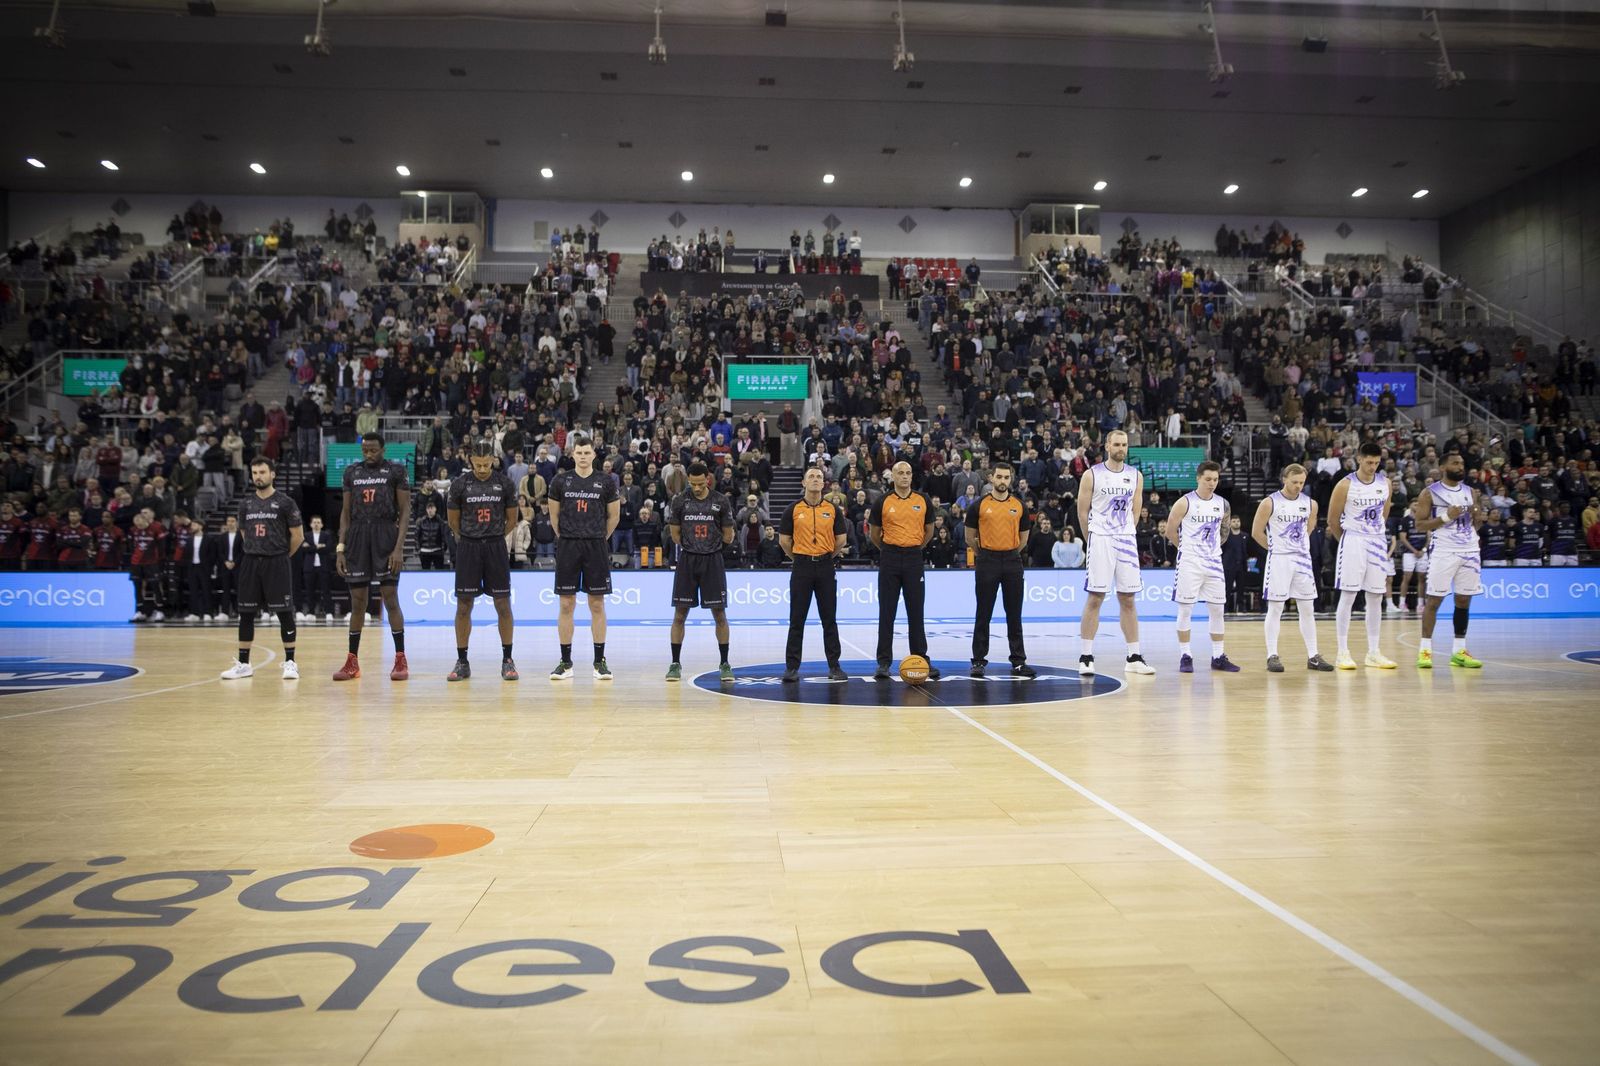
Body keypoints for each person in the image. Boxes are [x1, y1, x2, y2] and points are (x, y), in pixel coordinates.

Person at [333, 433, 411, 681]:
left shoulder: (396, 471)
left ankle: (400, 659)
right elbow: (345, 513)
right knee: (358, 602)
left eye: (373, 450)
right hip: (357, 537)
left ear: (383, 450)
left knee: (390, 598)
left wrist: (398, 548)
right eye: (365, 450)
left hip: (385, 534)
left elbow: (405, 510)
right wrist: (341, 548)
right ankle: (352, 662)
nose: (369, 454)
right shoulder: (351, 472)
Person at [1077, 431, 1156, 676]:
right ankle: (1086, 656)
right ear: (1107, 446)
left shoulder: (1136, 476)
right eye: (1117, 444)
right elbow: (1082, 512)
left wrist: (1126, 532)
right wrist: (1092, 538)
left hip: (1125, 540)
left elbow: (1136, 510)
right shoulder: (1092, 474)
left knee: (1128, 599)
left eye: (1124, 445)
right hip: (1100, 537)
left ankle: (1134, 657)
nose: (1121, 448)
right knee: (1095, 597)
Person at [220, 458, 304, 680]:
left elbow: (298, 536)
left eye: (262, 472)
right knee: (246, 614)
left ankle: (290, 663)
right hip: (250, 563)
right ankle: (244, 664)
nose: (258, 476)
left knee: (284, 612)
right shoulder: (245, 504)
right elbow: (245, 534)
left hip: (277, 562)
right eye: (255, 472)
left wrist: (281, 556)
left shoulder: (286, 502)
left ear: (272, 474)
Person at [447, 439, 521, 681]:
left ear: (493, 460)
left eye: (485, 464)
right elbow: (453, 522)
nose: (481, 469)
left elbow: (512, 520)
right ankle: (462, 661)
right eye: (477, 465)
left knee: (503, 605)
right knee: (463, 606)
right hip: (468, 548)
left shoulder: (505, 483)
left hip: (495, 548)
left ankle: (508, 660)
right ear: (471, 461)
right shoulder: (459, 485)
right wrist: (471, 537)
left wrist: (494, 536)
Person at [548, 432, 620, 680]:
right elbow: (554, 516)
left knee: (597, 604)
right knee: (566, 604)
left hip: (595, 546)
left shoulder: (606, 481)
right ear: (572, 454)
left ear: (593, 454)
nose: (582, 456)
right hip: (568, 546)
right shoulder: (560, 481)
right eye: (579, 453)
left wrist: (599, 537)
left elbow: (614, 516)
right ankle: (565, 662)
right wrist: (566, 537)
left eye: (587, 452)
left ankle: (599, 662)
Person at [1252, 464, 1333, 672]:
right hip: (1279, 559)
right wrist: (1275, 548)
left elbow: (1309, 528)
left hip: (1302, 560)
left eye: (1301, 482)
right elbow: (1256, 532)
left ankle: (1313, 656)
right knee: (1276, 607)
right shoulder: (1269, 502)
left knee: (1307, 608)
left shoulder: (1311, 504)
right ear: (1284, 479)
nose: (1298, 486)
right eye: (1294, 482)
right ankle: (1272, 655)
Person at [1163, 460, 1239, 673]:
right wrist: (1186, 549)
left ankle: (1218, 656)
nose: (1212, 483)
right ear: (1198, 478)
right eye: (1208, 479)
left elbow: (1224, 533)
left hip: (1213, 562)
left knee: (1217, 610)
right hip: (1190, 562)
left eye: (1215, 479)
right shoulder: (1184, 502)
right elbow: (1170, 531)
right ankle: (1185, 655)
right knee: (1185, 609)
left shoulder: (1223, 504)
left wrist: (1210, 549)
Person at [1410, 452, 1484, 670]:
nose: (1460, 466)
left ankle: (1459, 651)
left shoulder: (1471, 492)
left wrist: (1478, 516)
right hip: (1443, 551)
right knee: (1434, 600)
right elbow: (1420, 525)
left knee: (1463, 600)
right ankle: (1425, 651)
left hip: (1470, 550)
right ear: (1442, 467)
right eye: (1455, 463)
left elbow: (1477, 523)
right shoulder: (1429, 492)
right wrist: (1446, 516)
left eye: (1462, 463)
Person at [1328, 441, 1396, 670]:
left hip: (1376, 540)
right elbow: (1333, 520)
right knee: (1348, 594)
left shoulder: (1386, 483)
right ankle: (1342, 652)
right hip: (1353, 540)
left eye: (1376, 463)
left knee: (1376, 596)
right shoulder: (1345, 485)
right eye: (1369, 462)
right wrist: (1347, 541)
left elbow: (1384, 513)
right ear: (1359, 459)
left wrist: (1373, 534)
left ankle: (1373, 652)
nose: (1372, 467)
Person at [665, 461, 736, 682]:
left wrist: (711, 548)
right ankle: (675, 663)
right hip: (688, 560)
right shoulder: (680, 501)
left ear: (708, 479)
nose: (696, 488)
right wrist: (694, 547)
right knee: (679, 615)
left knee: (719, 615)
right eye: (693, 484)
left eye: (700, 484)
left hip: (713, 561)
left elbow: (728, 535)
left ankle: (725, 663)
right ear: (688, 480)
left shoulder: (720, 501)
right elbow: (675, 535)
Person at [777, 466, 848, 683]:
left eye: (819, 477)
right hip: (802, 567)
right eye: (811, 476)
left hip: (826, 566)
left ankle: (834, 666)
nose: (816, 479)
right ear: (804, 482)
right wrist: (801, 557)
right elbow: (784, 541)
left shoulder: (833, 510)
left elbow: (841, 540)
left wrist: (825, 556)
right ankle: (791, 667)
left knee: (829, 619)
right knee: (797, 619)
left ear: (824, 483)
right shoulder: (792, 509)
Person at [965, 461, 1035, 678]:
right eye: (999, 477)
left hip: (1012, 561)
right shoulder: (979, 505)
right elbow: (969, 537)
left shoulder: (1019, 505)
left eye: (1006, 477)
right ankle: (978, 661)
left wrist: (1009, 551)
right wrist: (985, 553)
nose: (1003, 481)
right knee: (983, 613)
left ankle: (1018, 661)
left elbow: (1023, 539)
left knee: (1014, 614)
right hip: (987, 560)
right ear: (991, 478)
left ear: (1010, 479)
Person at [870, 460, 938, 680]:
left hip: (913, 558)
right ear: (893, 476)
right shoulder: (883, 501)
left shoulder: (922, 500)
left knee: (916, 612)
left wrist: (914, 547)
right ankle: (883, 663)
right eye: (900, 473)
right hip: (889, 557)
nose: (905, 476)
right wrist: (889, 549)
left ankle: (921, 658)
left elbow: (929, 531)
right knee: (886, 613)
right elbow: (874, 533)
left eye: (908, 473)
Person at [299, 514, 335, 620]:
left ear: (322, 525)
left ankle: (329, 612)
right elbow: (303, 549)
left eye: (318, 522)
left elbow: (329, 548)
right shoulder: (306, 536)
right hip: (309, 567)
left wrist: (311, 547)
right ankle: (311, 612)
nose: (316, 524)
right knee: (309, 591)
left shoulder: (326, 535)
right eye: (314, 522)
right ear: (311, 524)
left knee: (326, 590)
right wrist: (318, 547)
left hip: (324, 567)